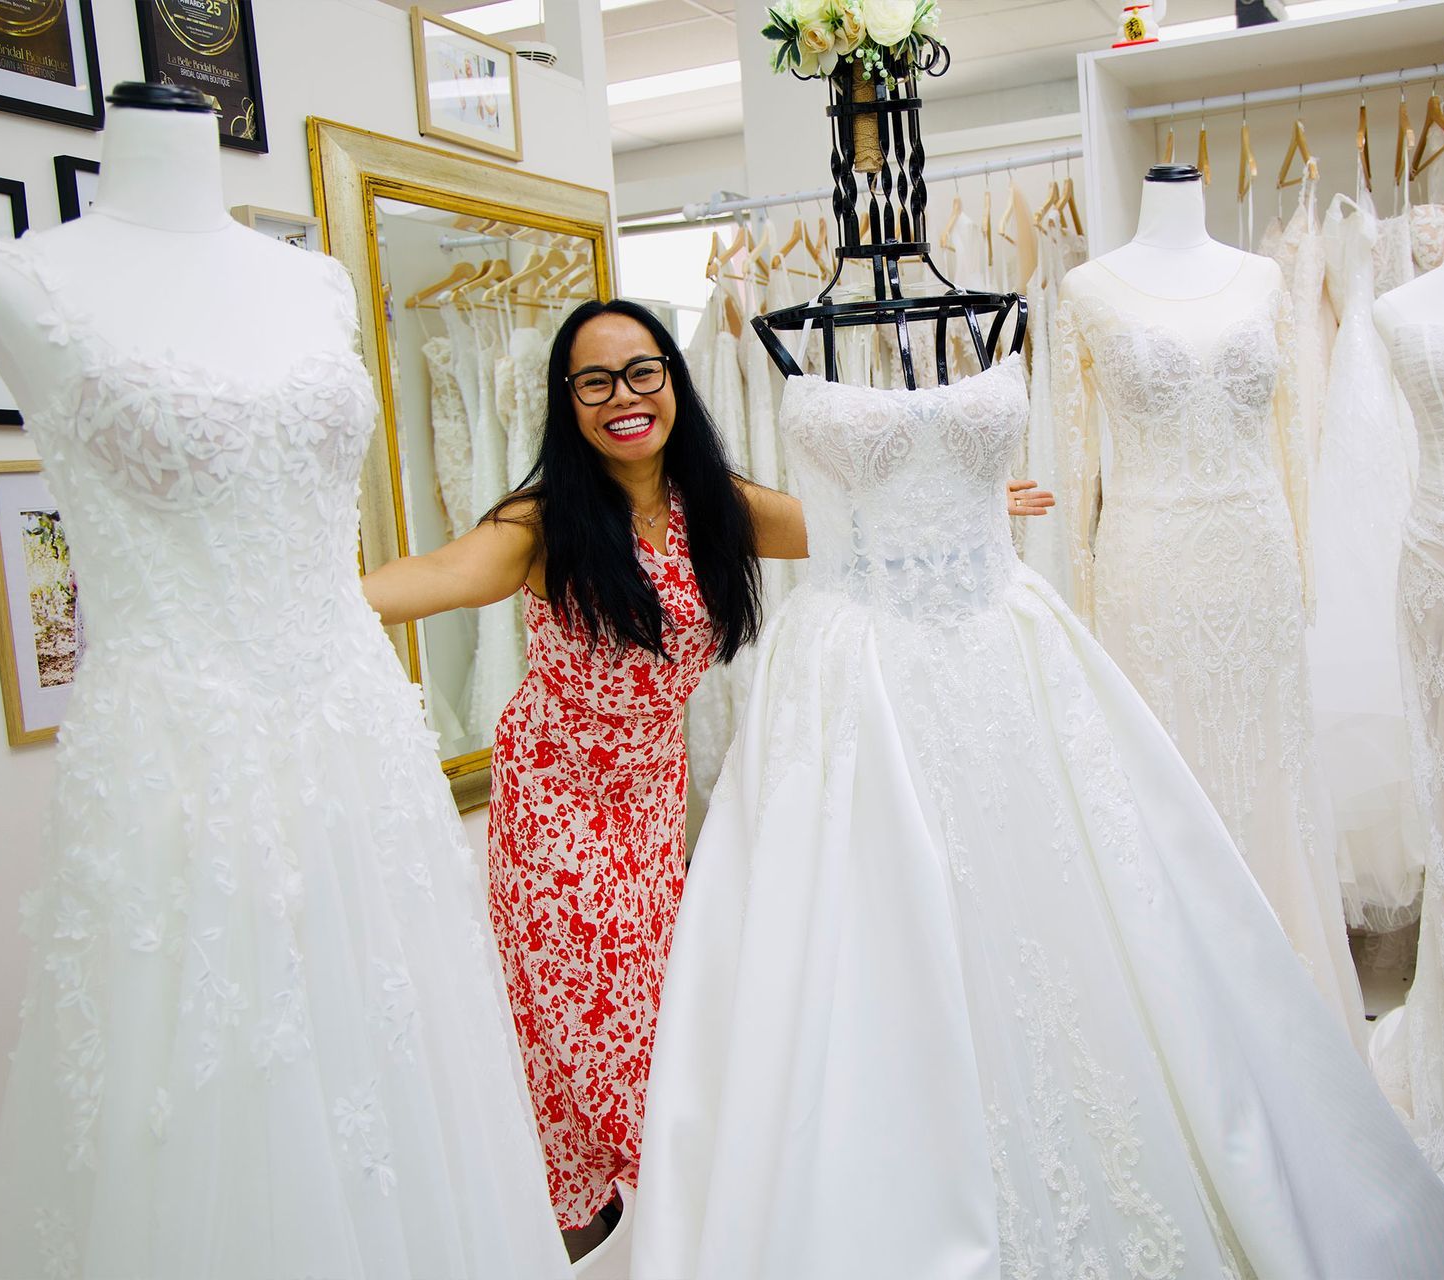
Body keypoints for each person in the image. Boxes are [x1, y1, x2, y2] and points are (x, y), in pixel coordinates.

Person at [361, 298, 1053, 1259]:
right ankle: (658, 1225)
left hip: (650, 796)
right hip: (556, 799)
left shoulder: (712, 505)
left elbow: (845, 528)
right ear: (569, 403)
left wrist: (969, 508)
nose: (623, 398)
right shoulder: (543, 520)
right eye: (594, 382)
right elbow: (441, 573)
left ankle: (636, 1223)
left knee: (662, 1011)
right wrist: (319, 600)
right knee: (609, 1025)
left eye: (642, 372)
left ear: (672, 383)